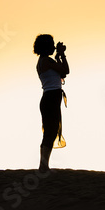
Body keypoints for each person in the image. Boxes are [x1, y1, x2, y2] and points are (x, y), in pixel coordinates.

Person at [33, 34, 69, 172]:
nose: (53, 47)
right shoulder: (46, 61)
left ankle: (44, 166)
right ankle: (43, 166)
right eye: (52, 44)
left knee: (51, 131)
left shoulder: (46, 61)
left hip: (51, 98)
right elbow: (66, 70)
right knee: (50, 132)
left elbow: (63, 74)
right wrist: (62, 54)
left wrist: (59, 56)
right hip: (51, 98)